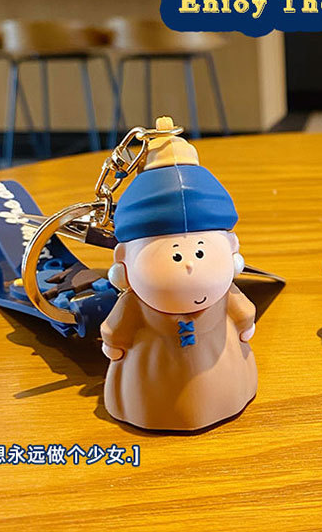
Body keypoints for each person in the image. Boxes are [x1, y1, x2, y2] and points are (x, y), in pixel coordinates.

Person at [101, 117, 257, 431]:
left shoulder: (225, 295)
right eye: (175, 255)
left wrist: (244, 321)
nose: (189, 265)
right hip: (149, 383)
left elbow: (242, 310)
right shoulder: (135, 304)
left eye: (200, 252)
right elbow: (116, 328)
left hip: (225, 372)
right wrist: (113, 341)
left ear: (231, 248)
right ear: (124, 260)